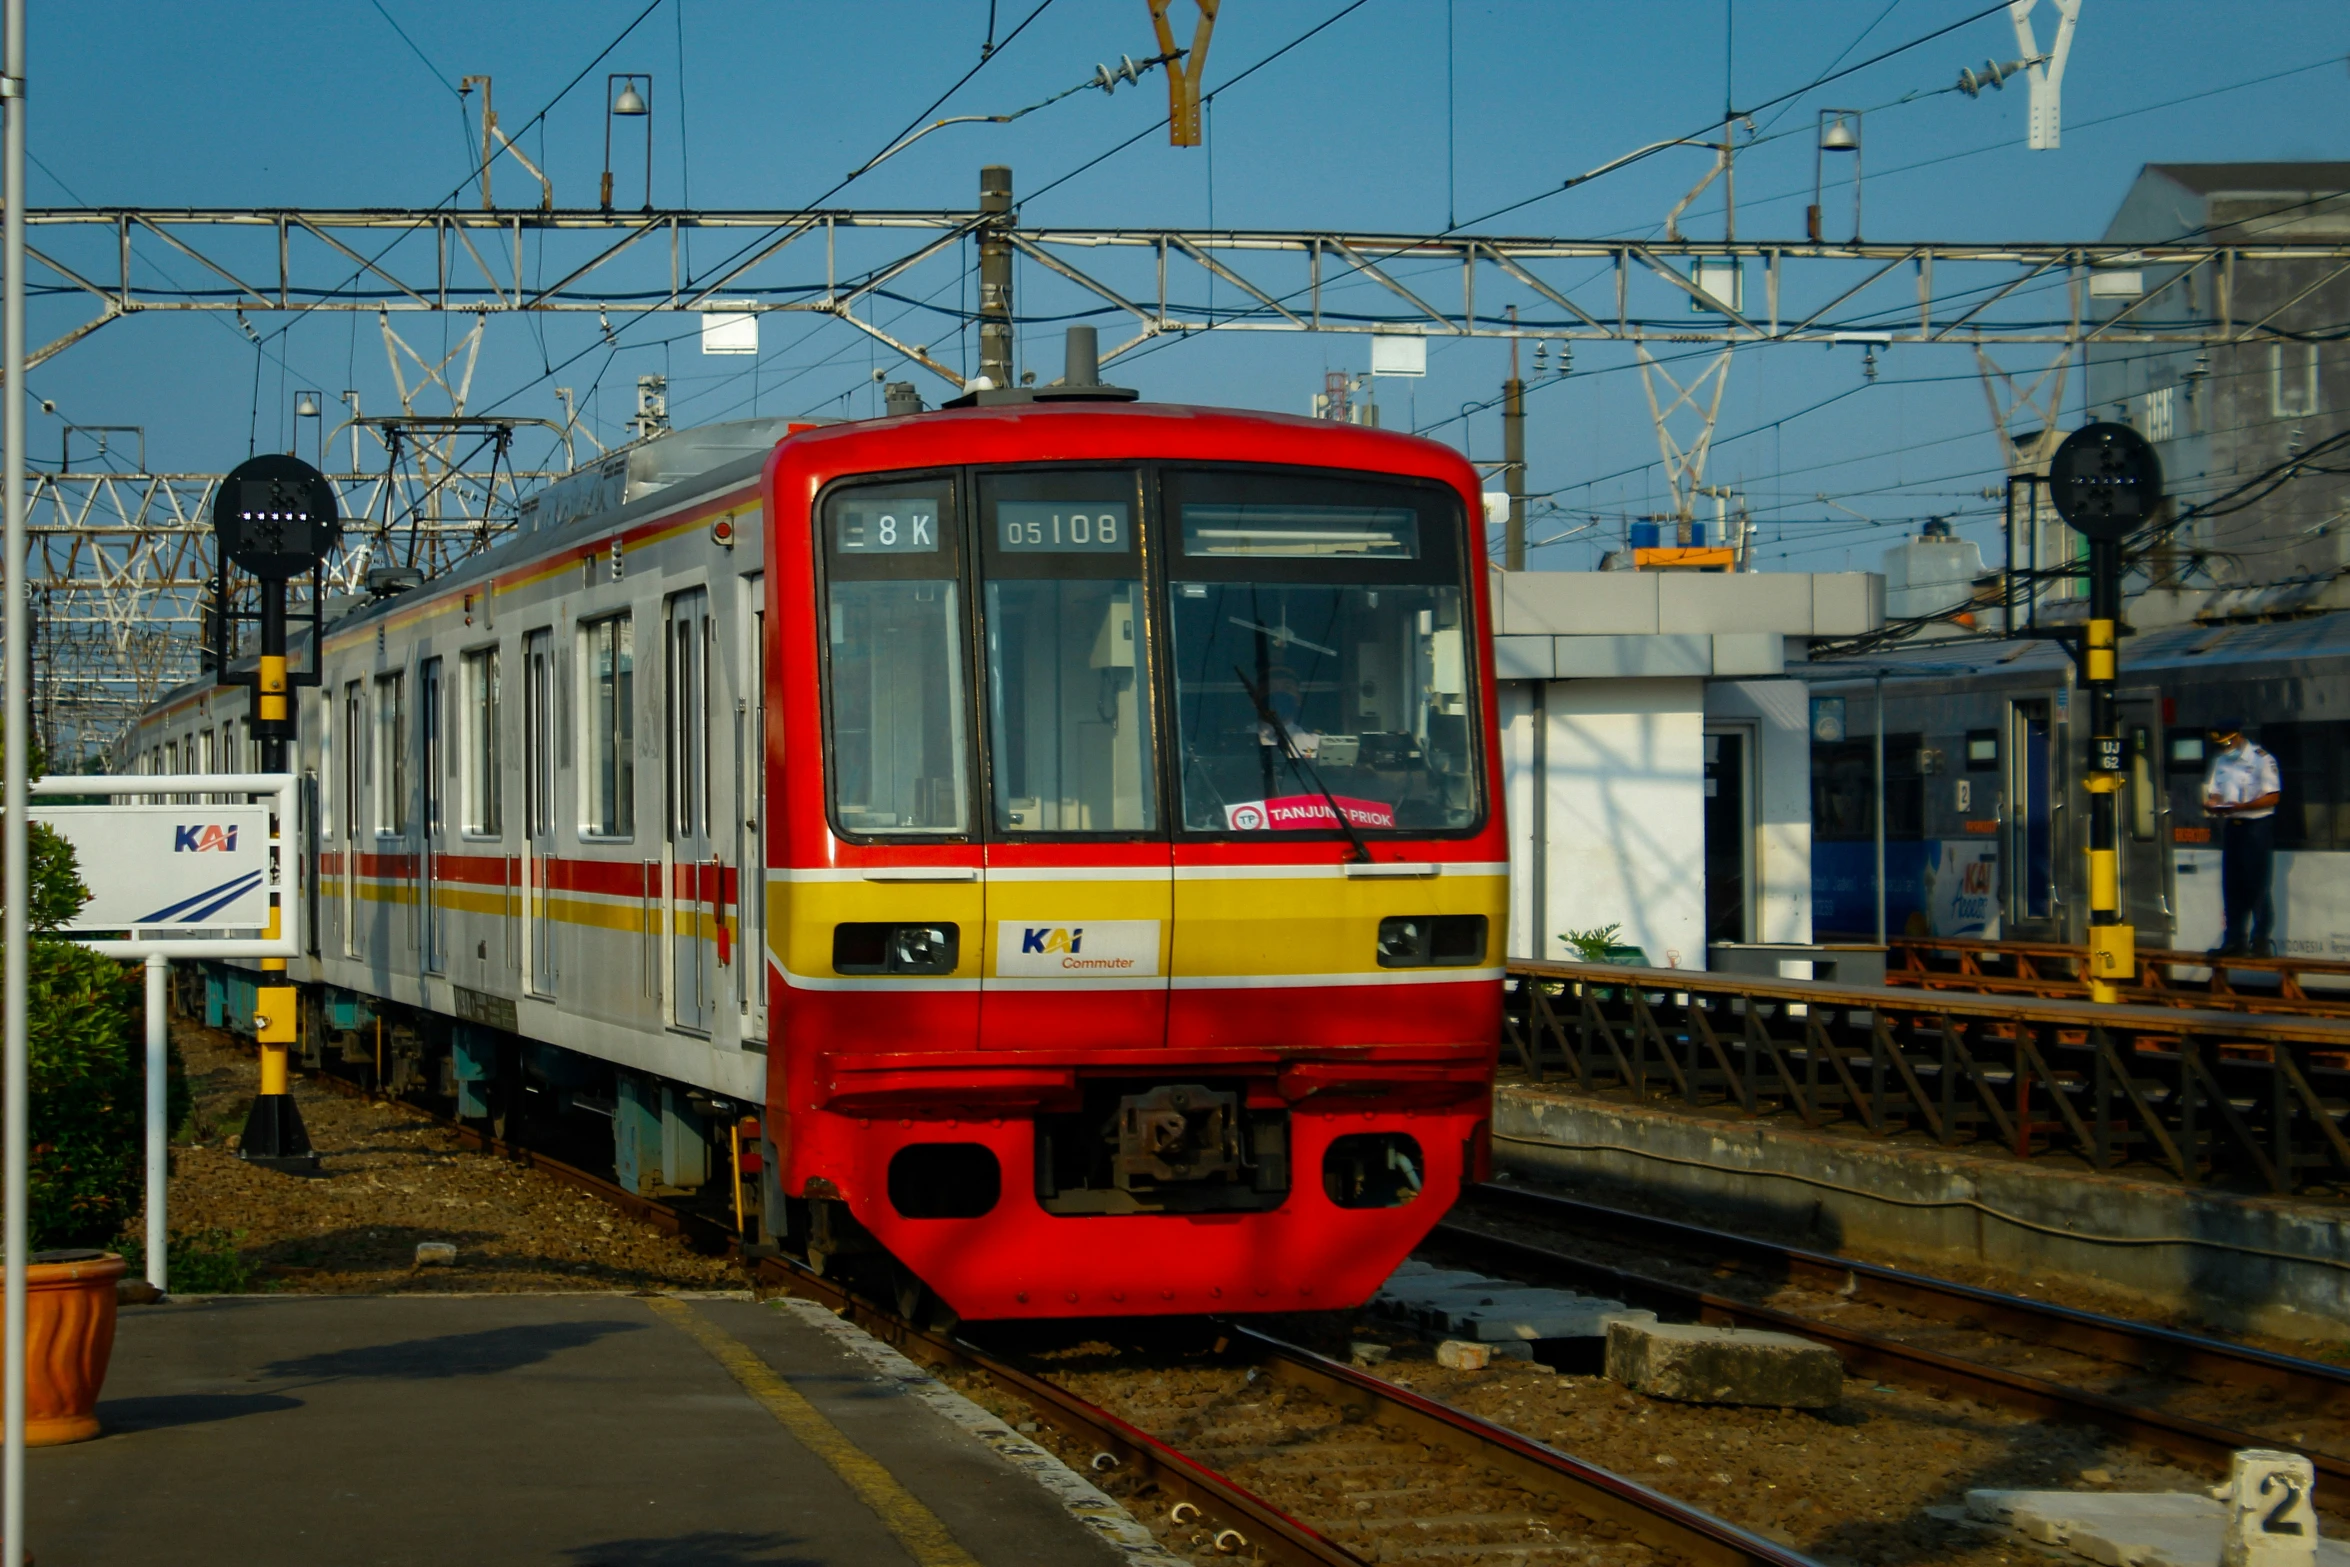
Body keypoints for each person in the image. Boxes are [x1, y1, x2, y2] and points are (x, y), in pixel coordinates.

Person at [2200, 716, 2281, 959]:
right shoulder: (2221, 761)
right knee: (2232, 885)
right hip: (2233, 827)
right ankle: (2234, 940)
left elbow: (2273, 797)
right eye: (2222, 744)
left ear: (2238, 736)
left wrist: (2242, 806)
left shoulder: (2261, 759)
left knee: (2256, 884)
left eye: (2227, 742)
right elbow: (2214, 791)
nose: (2225, 747)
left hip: (2257, 827)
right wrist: (2213, 803)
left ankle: (2261, 940)